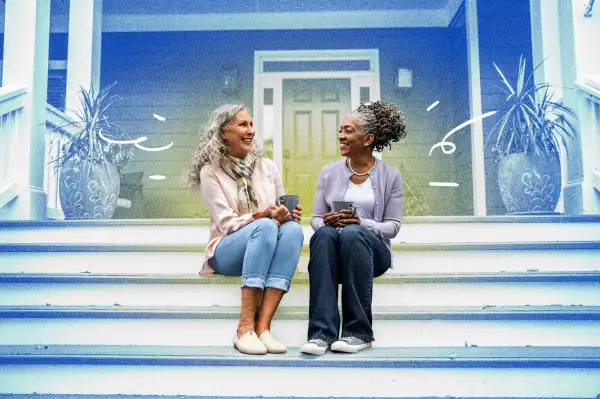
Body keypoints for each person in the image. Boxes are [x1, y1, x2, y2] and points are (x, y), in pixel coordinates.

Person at [188, 104, 304, 355]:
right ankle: (244, 327)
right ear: (222, 132)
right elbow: (226, 223)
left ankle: (263, 328)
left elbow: (279, 207)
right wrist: (263, 215)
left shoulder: (268, 167)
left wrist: (288, 214)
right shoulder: (211, 172)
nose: (250, 130)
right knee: (263, 226)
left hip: (266, 243)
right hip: (227, 251)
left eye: (251, 124)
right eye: (243, 124)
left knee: (294, 231)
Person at [300, 101, 406, 356]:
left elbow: (393, 227)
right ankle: (320, 335)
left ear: (368, 138)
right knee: (324, 234)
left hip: (372, 253)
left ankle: (359, 333)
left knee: (352, 233)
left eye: (348, 131)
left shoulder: (390, 176)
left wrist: (363, 223)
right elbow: (315, 219)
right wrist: (326, 221)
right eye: (340, 130)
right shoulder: (328, 173)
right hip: (335, 249)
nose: (341, 136)